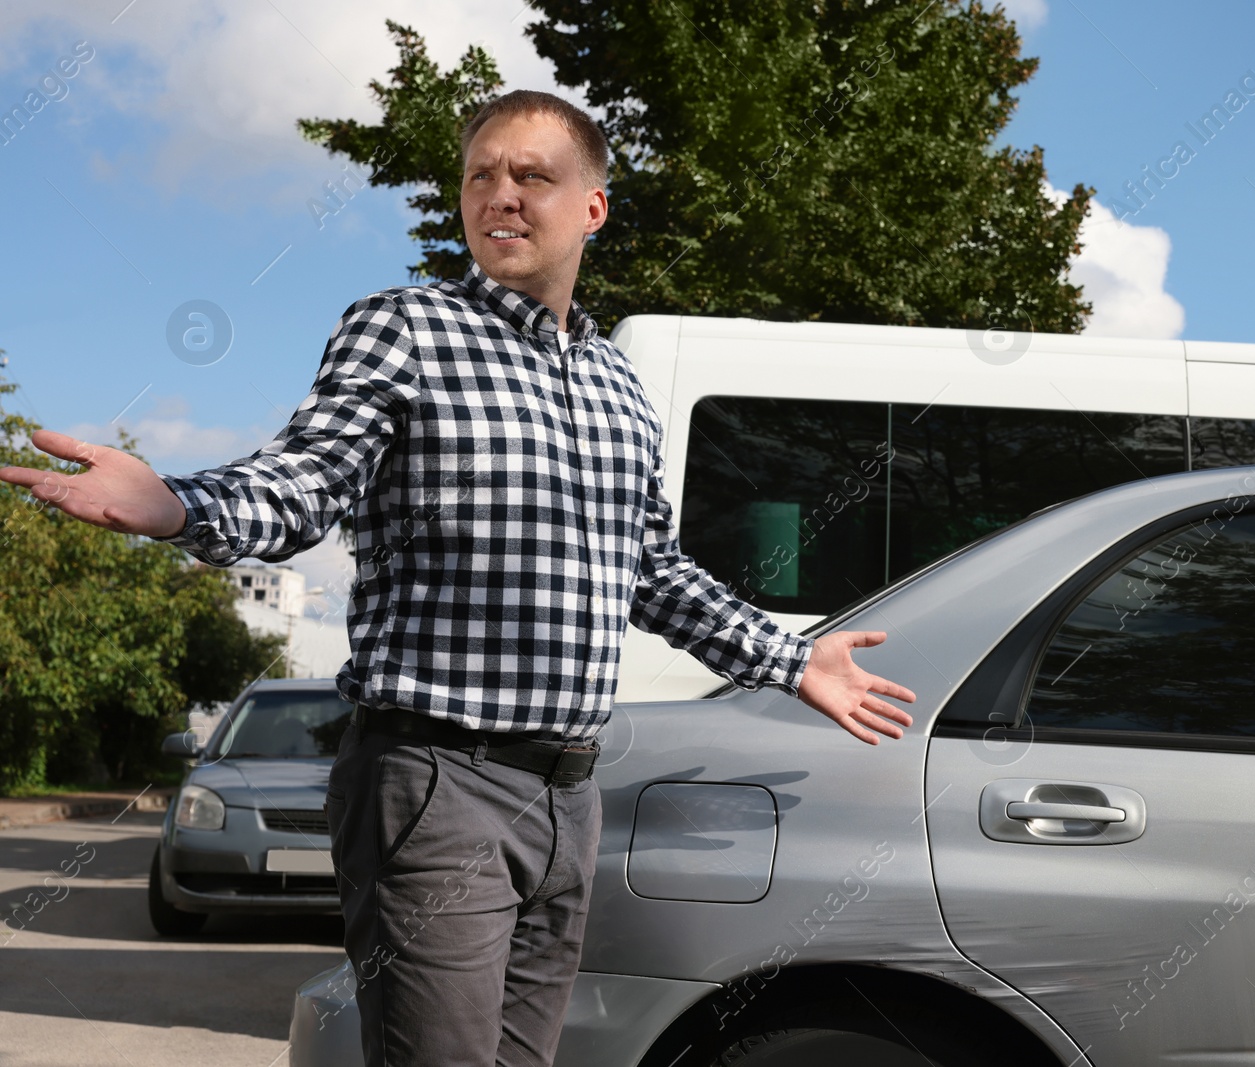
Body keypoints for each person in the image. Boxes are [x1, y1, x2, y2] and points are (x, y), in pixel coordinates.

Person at [0, 89, 916, 1066]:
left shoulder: (616, 386)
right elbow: (307, 478)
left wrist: (788, 658)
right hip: (437, 780)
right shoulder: (404, 329)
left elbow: (647, 569)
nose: (502, 196)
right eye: (482, 175)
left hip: (569, 793)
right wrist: (181, 503)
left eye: (533, 176)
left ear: (593, 207)